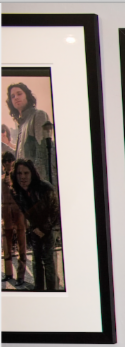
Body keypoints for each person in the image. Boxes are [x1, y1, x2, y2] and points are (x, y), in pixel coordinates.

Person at [10, 159, 59, 291]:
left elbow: (55, 211)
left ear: (32, 173)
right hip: (35, 228)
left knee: (48, 260)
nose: (23, 177)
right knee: (36, 260)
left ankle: (52, 290)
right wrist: (34, 227)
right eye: (19, 173)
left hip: (49, 227)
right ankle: (38, 289)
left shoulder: (45, 187)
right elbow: (26, 212)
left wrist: (43, 229)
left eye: (26, 173)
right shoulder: (16, 191)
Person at [6, 83, 52, 181]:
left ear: (27, 95)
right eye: (12, 96)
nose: (16, 97)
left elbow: (42, 153)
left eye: (19, 94)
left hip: (36, 184)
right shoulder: (21, 124)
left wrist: (38, 186)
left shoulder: (38, 115)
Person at [2, 152, 28, 287]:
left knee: (21, 245)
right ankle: (8, 273)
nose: (7, 163)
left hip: (18, 213)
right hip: (6, 215)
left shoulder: (19, 177)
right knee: (6, 245)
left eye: (10, 160)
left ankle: (21, 276)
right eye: (5, 161)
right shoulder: (1, 178)